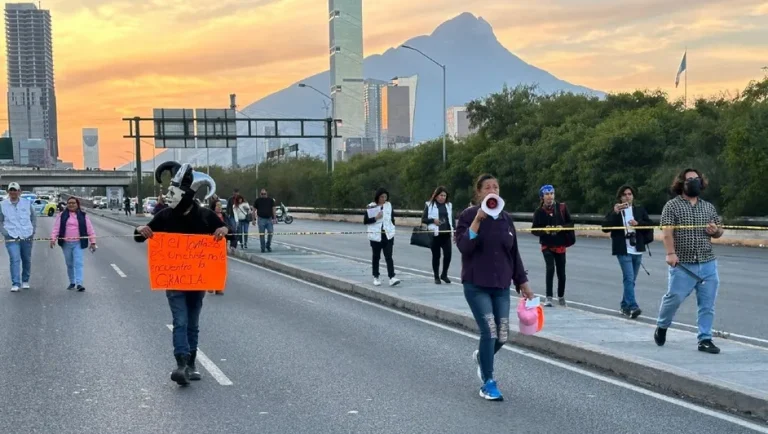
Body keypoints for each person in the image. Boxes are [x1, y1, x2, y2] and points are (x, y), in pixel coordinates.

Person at [134, 161, 227, 385]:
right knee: (180, 321)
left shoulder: (204, 215)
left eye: (173, 192)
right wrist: (139, 230)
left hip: (197, 281)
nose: (168, 196)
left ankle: (192, 363)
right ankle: (181, 364)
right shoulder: (165, 216)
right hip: (174, 280)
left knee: (193, 323)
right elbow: (140, 236)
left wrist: (224, 229)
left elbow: (229, 233)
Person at [455, 174, 534, 401]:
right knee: (489, 330)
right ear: (479, 193)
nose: (493, 190)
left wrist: (523, 282)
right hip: (476, 284)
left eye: (496, 187)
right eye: (487, 187)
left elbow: (513, 253)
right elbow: (464, 247)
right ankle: (488, 382)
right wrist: (478, 220)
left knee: (502, 334)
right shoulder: (468, 216)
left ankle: (483, 356)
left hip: (501, 285)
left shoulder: (506, 218)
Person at [654, 168, 724, 354]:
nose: (694, 182)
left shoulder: (708, 207)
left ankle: (705, 339)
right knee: (674, 298)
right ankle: (662, 326)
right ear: (681, 183)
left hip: (707, 262)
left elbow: (719, 230)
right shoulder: (672, 206)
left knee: (707, 304)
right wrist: (670, 253)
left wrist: (715, 231)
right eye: (689, 179)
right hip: (683, 264)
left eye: (697, 179)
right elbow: (667, 232)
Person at [602, 185, 654, 318]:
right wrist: (615, 213)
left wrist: (638, 224)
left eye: (630, 194)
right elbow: (605, 228)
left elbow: (649, 225)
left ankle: (624, 305)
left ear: (633, 196)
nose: (627, 196)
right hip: (623, 249)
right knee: (629, 278)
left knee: (631, 280)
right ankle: (633, 306)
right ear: (620, 197)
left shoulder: (639, 210)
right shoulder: (616, 211)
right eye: (624, 194)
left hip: (637, 248)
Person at [531, 184, 573, 307]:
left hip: (560, 245)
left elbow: (571, 224)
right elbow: (534, 230)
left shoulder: (562, 208)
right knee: (550, 268)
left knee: (562, 273)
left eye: (552, 193)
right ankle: (548, 297)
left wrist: (562, 228)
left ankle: (561, 296)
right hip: (547, 245)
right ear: (542, 197)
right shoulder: (539, 212)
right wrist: (545, 230)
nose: (550, 196)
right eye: (547, 194)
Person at [50, 197, 97, 291]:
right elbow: (56, 228)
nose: (71, 205)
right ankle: (72, 282)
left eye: (73, 203)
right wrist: (53, 239)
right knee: (69, 264)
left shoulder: (83, 216)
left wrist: (93, 242)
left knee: (78, 263)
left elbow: (90, 230)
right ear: (67, 204)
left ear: (77, 204)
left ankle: (79, 283)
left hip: (78, 243)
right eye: (69, 203)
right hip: (66, 244)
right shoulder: (61, 215)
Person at [0, 182, 37, 292]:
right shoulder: (2, 205)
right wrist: (5, 232)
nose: (13, 192)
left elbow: (33, 218)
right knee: (14, 259)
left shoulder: (27, 203)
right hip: (11, 236)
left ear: (19, 191)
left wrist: (32, 231)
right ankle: (16, 283)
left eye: (15, 190)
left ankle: (25, 280)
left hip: (26, 235)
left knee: (26, 259)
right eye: (11, 190)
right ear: (8, 192)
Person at [363, 188, 401, 287]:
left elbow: (392, 218)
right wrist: (376, 218)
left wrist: (392, 228)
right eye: (382, 197)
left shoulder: (389, 205)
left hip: (388, 235)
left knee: (389, 256)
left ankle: (392, 277)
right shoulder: (371, 206)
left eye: (385, 197)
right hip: (376, 235)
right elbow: (366, 221)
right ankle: (376, 277)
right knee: (376, 257)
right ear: (378, 197)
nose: (384, 199)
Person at [421, 186, 454, 284]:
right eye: (441, 195)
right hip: (435, 234)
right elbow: (424, 219)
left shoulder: (449, 205)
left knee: (448, 255)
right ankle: (436, 276)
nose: (443, 197)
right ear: (436, 196)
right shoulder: (429, 205)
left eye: (444, 196)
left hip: (446, 233)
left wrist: (455, 231)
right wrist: (433, 220)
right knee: (436, 256)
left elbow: (451, 219)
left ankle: (444, 274)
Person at [253, 188, 276, 253]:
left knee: (270, 232)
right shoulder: (257, 200)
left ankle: (268, 245)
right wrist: (253, 219)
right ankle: (262, 247)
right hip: (261, 219)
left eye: (264, 194)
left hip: (269, 219)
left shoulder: (271, 200)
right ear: (260, 194)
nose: (263, 195)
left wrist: (274, 218)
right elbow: (254, 210)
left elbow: (273, 209)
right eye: (262, 194)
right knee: (262, 234)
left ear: (267, 194)